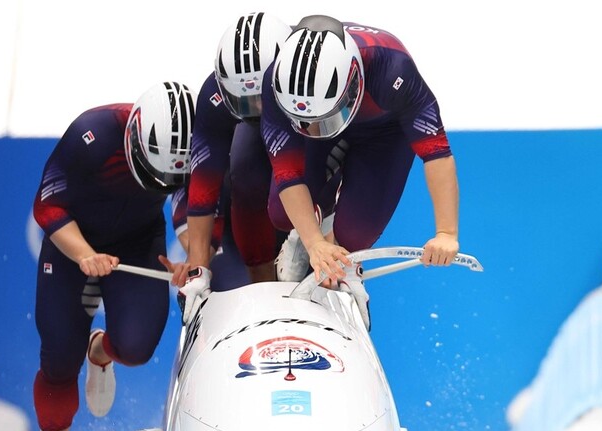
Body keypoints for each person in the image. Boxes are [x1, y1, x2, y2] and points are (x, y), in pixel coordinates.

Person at [31, 82, 195, 431]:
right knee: (59, 356)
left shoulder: (194, 142)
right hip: (74, 242)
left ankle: (100, 352)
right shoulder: (92, 135)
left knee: (137, 348)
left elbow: (193, 202)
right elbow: (47, 207)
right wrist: (84, 254)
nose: (160, 182)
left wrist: (191, 258)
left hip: (137, 240)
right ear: (136, 142)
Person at [261, 16, 462, 328]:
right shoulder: (276, 82)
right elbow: (287, 172)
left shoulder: (394, 72)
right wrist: (314, 243)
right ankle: (313, 236)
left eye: (322, 120)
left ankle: (338, 244)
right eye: (305, 122)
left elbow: (436, 153)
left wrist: (446, 233)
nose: (315, 130)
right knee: (279, 212)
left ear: (355, 83)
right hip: (320, 129)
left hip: (384, 134)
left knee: (356, 234)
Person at [169, 13, 340, 324]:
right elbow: (203, 184)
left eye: (261, 98)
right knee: (245, 169)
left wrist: (325, 242)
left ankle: (320, 257)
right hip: (249, 201)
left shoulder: (317, 74)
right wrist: (197, 269)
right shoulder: (214, 97)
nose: (258, 111)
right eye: (243, 102)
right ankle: (263, 281)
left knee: (314, 163)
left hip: (304, 126)